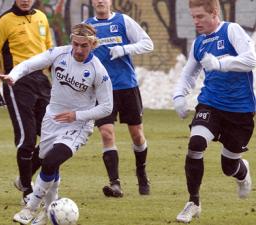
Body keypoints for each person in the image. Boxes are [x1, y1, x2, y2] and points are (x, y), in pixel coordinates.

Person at [5, 23, 113, 225]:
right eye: (76, 44)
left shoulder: (98, 71)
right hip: (51, 120)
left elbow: (107, 107)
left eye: (84, 46)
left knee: (51, 161)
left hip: (78, 125)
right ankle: (49, 209)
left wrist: (77, 115)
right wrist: (14, 75)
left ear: (92, 44)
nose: (79, 50)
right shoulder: (59, 54)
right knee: (49, 163)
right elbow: (30, 64)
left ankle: (30, 208)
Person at [173, 0, 256, 223]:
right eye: (193, 17)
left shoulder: (232, 30)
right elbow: (188, 74)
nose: (195, 22)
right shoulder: (199, 43)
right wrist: (179, 96)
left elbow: (251, 59)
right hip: (210, 103)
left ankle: (242, 171)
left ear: (214, 12)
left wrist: (221, 64)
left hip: (240, 110)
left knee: (228, 166)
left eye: (200, 16)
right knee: (196, 145)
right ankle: (194, 202)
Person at [0, 0, 53, 204]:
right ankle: (27, 191)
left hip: (42, 81)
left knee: (52, 136)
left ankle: (24, 178)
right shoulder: (2, 22)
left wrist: (57, 78)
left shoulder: (41, 17)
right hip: (17, 83)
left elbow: (50, 50)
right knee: (27, 139)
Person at [84, 0, 154, 197]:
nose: (100, 1)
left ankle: (141, 172)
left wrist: (124, 49)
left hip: (127, 86)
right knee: (106, 133)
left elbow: (147, 43)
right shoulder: (87, 26)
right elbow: (78, 54)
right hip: (101, 89)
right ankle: (115, 183)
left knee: (137, 135)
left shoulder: (123, 21)